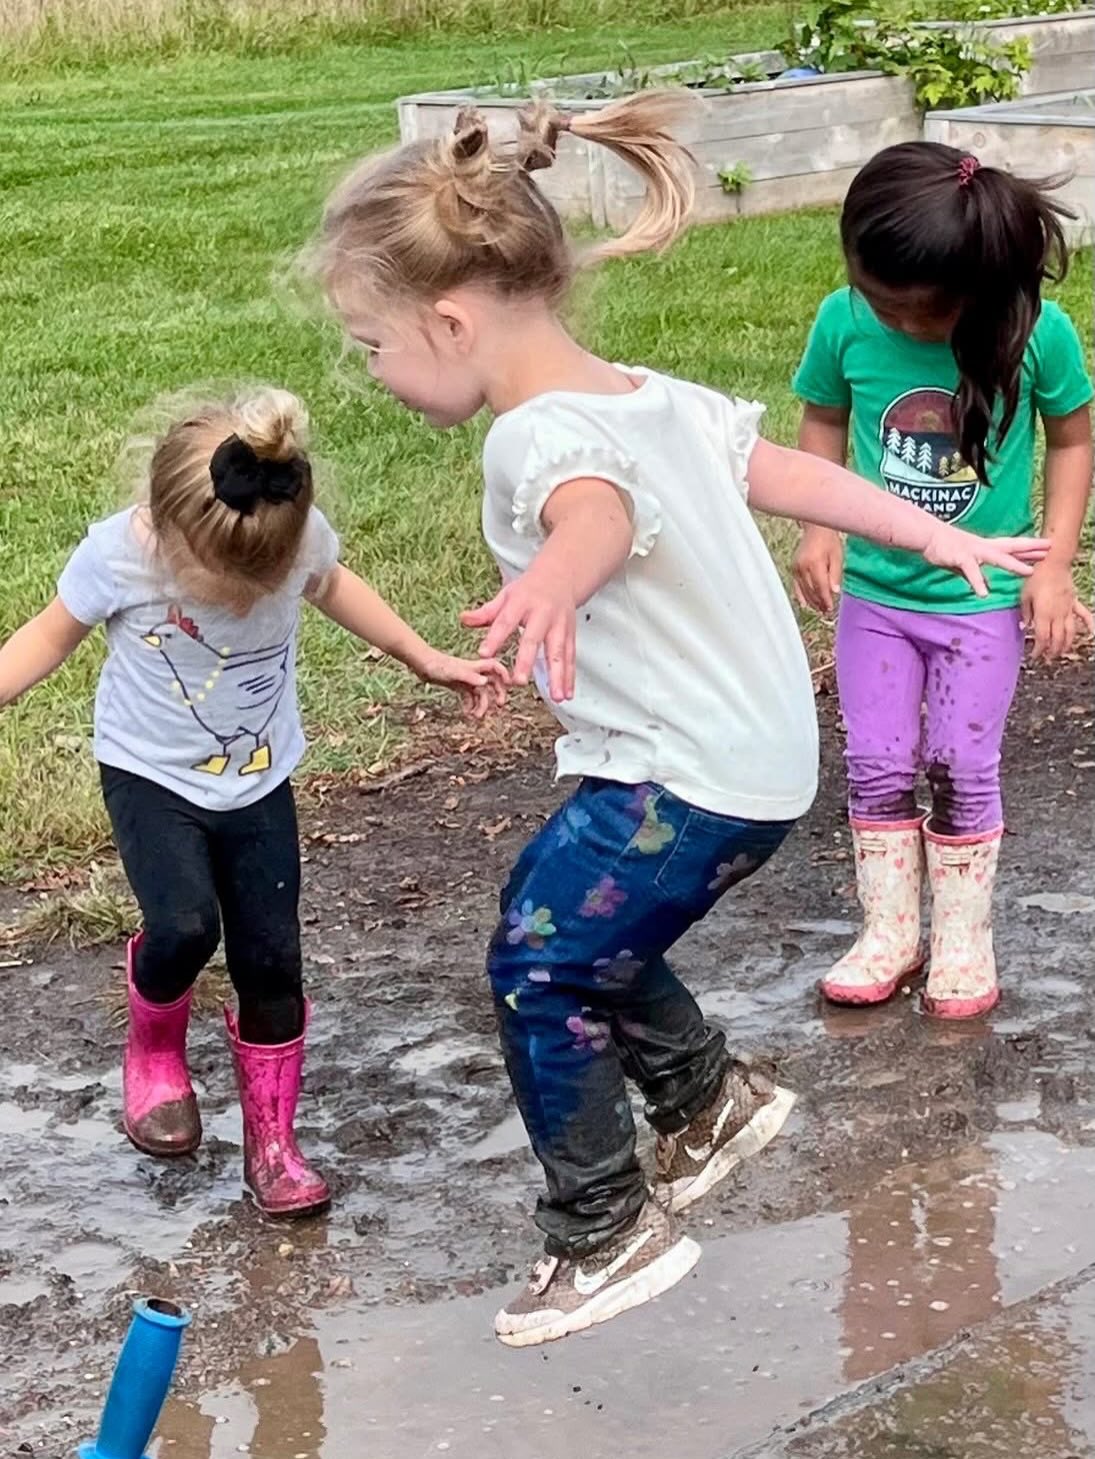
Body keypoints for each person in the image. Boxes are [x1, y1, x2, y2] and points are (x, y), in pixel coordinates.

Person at [307, 95, 1047, 1343]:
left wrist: (554, 576)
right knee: (567, 915)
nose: (369, 371)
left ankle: (604, 1227)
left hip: (682, 776)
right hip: (754, 769)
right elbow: (792, 475)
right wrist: (933, 529)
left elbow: (590, 513)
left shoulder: (539, 435)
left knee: (541, 961)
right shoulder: (655, 394)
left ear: (448, 319)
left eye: (369, 344)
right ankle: (707, 1100)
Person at [0, 387, 506, 1216]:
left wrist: (421, 655)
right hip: (149, 773)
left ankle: (272, 1143)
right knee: (185, 925)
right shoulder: (120, 553)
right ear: (162, 526)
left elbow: (336, 585)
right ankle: (155, 1050)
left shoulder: (291, 530)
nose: (238, 598)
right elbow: (48, 635)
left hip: (259, 776)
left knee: (272, 961)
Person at [792, 142, 1093, 1019]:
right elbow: (821, 418)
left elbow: (1072, 438)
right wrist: (819, 526)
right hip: (877, 600)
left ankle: (963, 938)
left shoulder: (1038, 332)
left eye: (907, 311)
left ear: (974, 296)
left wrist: (1055, 564)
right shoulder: (842, 320)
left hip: (982, 597)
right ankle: (889, 932)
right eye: (874, 297)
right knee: (876, 760)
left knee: (961, 762)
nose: (885, 319)